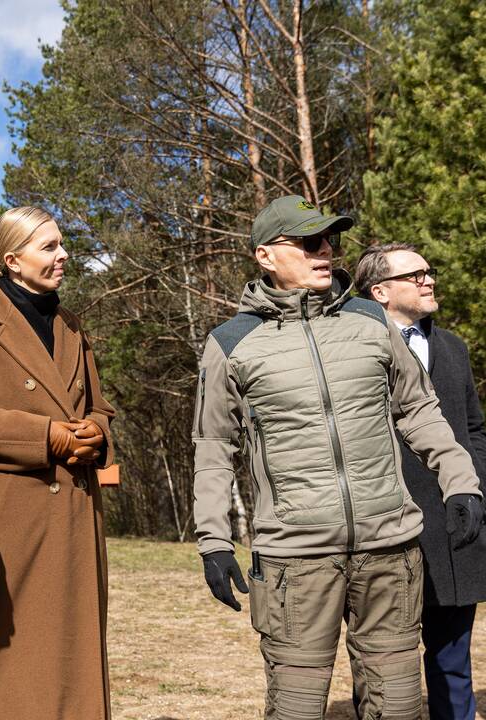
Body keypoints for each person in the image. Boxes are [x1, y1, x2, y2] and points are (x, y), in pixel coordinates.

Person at [192, 195, 483, 719]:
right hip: (295, 562)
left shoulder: (370, 320)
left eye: (329, 239)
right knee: (297, 709)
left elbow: (419, 410)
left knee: (397, 709)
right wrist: (214, 541)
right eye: (308, 242)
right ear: (265, 256)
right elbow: (214, 448)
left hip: (389, 552)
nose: (325, 250)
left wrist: (461, 482)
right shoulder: (231, 343)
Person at [0, 206, 116, 720]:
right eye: (50, 247)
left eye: (62, 244)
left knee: (72, 654)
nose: (64, 256)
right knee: (0, 663)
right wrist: (50, 437)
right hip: (7, 521)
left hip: (76, 514)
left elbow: (99, 408)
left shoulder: (70, 325)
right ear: (11, 260)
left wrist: (95, 435)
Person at [355, 244, 486, 720]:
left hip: (455, 529)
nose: (429, 280)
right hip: (386, 526)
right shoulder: (354, 347)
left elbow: (474, 428)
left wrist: (475, 489)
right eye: (416, 275)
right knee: (381, 662)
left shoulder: (452, 346)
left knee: (453, 659)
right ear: (381, 291)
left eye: (430, 271)